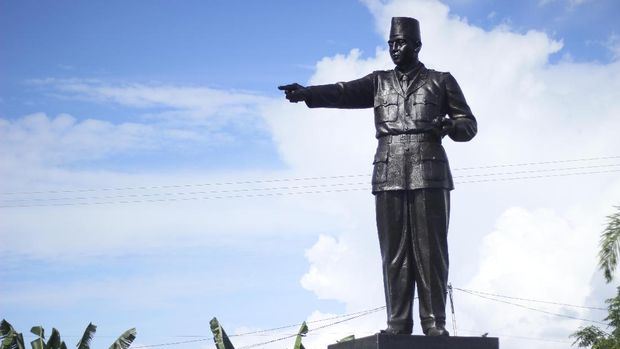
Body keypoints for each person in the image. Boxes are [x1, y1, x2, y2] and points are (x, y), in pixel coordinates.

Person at [278, 17, 477, 336]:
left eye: (401, 43)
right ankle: (398, 323)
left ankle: (434, 322)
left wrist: (451, 127)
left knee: (431, 250)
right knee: (394, 251)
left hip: (429, 167)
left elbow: (468, 123)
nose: (395, 49)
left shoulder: (442, 81)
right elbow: (343, 92)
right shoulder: (379, 82)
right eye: (391, 44)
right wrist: (308, 94)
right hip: (389, 168)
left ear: (417, 46)